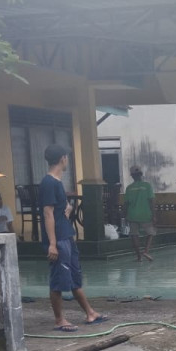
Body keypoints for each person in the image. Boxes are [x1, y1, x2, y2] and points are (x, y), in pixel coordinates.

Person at [39, 143, 106, 333]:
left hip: (66, 235)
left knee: (75, 276)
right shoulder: (49, 183)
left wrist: (66, 212)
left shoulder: (57, 182)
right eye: (67, 157)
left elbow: (56, 212)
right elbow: (48, 213)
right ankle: (59, 320)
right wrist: (52, 243)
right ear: (63, 159)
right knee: (58, 280)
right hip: (58, 239)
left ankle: (90, 313)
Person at [124, 165, 156, 262]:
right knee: (151, 233)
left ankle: (139, 256)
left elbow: (126, 203)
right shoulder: (147, 186)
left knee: (134, 235)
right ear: (141, 174)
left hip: (132, 215)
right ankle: (146, 251)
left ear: (132, 176)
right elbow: (151, 201)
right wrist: (154, 215)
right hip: (145, 214)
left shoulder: (129, 188)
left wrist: (125, 215)